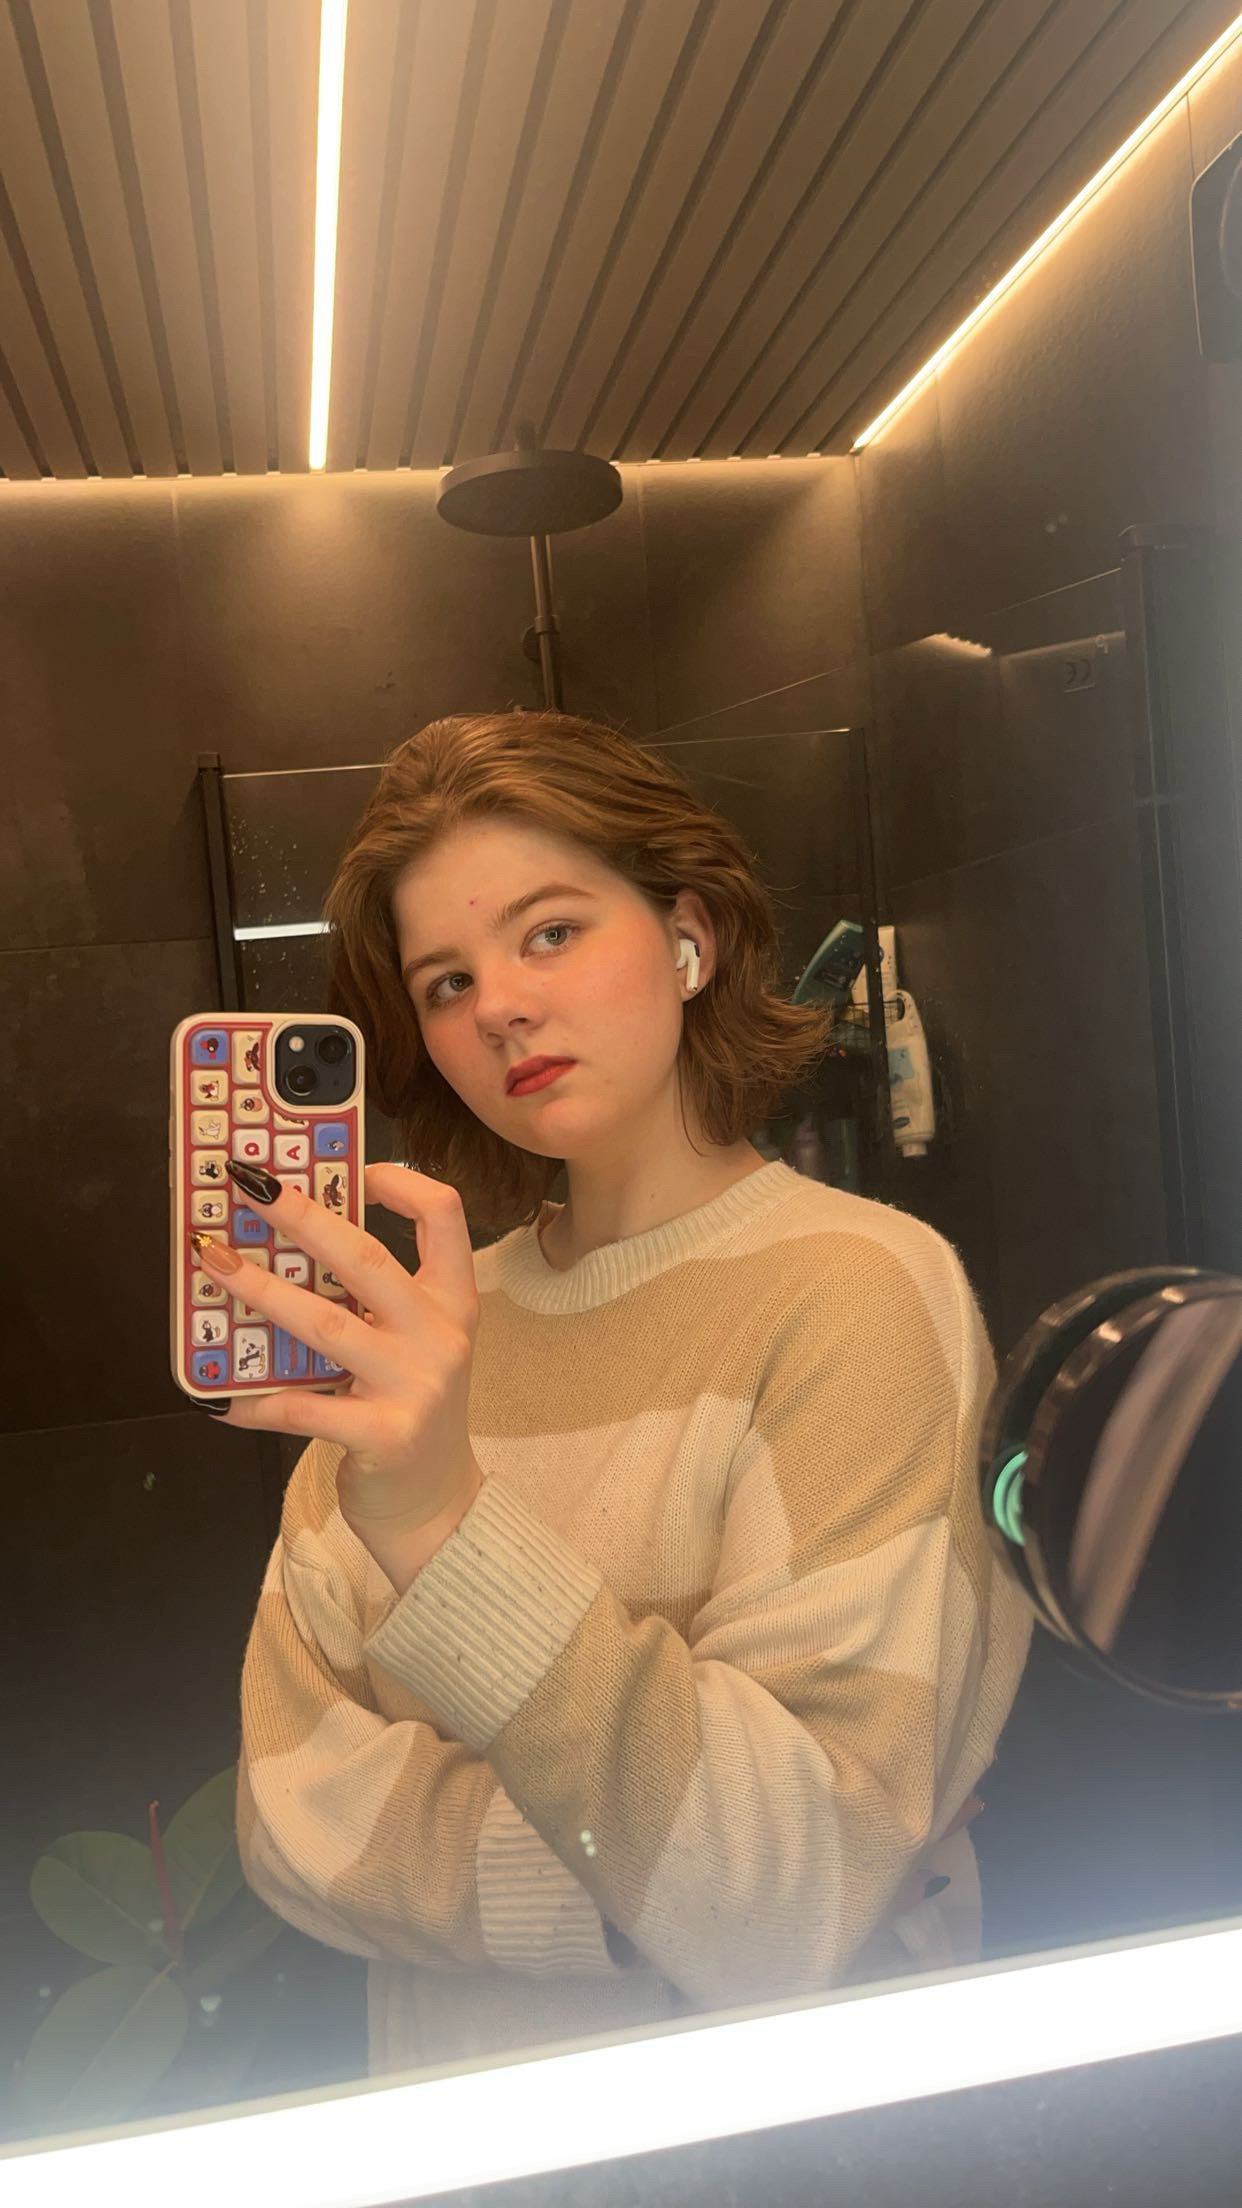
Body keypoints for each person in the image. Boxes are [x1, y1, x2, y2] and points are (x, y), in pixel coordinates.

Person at [235, 709, 1032, 2077]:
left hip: (761, 2151)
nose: (498, 1005)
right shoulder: (422, 1337)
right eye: (445, 982)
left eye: (549, 932)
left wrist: (436, 1521)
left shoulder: (859, 1292)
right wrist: (632, 1898)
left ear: (687, 937)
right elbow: (288, 1815)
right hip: (450, 2146)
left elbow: (785, 1888)